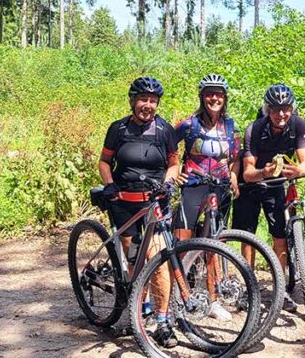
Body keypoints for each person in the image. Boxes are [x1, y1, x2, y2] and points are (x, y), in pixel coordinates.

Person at [98, 76, 180, 348]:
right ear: (133, 101)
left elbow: (173, 164)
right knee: (134, 260)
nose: (148, 105)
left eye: (153, 101)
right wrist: (109, 184)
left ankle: (162, 320)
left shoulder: (164, 130)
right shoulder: (118, 129)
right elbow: (105, 161)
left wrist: (168, 183)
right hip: (123, 201)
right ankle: (140, 309)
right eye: (143, 100)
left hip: (154, 202)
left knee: (158, 258)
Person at [238, 84, 305, 312]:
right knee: (247, 237)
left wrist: (298, 171)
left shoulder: (297, 124)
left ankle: (279, 289)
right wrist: (264, 172)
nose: (281, 114)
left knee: (279, 236)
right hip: (251, 184)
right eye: (275, 109)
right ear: (267, 109)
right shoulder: (255, 129)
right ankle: (249, 289)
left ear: (292, 109)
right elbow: (247, 173)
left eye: (286, 108)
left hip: (275, 185)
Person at [173, 73, 241, 321]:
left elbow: (235, 158)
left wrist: (234, 176)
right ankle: (178, 297)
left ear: (225, 98)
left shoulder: (231, 126)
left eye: (219, 94)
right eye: (210, 94)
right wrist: (171, 172)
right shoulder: (189, 124)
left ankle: (212, 300)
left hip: (220, 189)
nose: (215, 98)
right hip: (193, 186)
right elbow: (165, 144)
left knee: (214, 245)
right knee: (182, 244)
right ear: (202, 97)